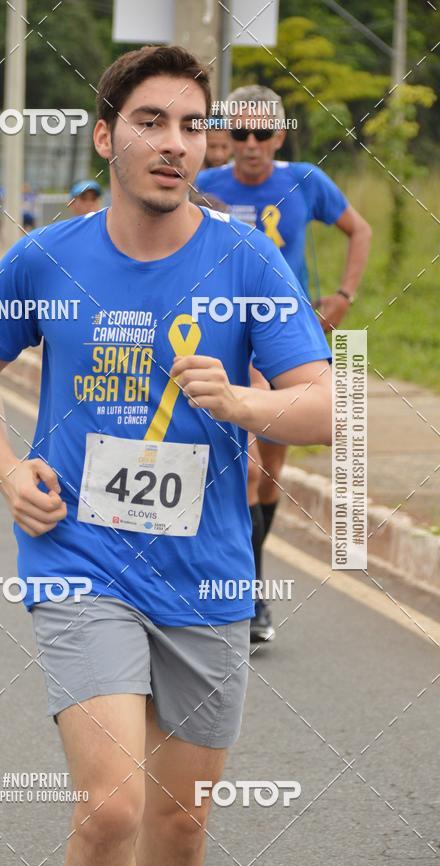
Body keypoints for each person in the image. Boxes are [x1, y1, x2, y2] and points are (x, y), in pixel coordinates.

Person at [0, 46, 332, 866]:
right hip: (79, 557)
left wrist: (237, 402)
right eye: (151, 122)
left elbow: (325, 409)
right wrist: (8, 468)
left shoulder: (248, 263)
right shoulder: (44, 258)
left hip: (206, 569)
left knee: (180, 822)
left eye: (193, 127)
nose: (175, 144)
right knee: (114, 809)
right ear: (103, 138)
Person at [196, 85, 371, 642]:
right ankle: (243, 592)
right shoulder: (207, 183)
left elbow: (359, 230)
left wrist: (343, 296)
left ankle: (253, 579)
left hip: (285, 342)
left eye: (261, 134)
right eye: (239, 134)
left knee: (270, 473)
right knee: (245, 468)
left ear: (278, 135)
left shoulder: (306, 183)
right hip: (229, 334)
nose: (249, 146)